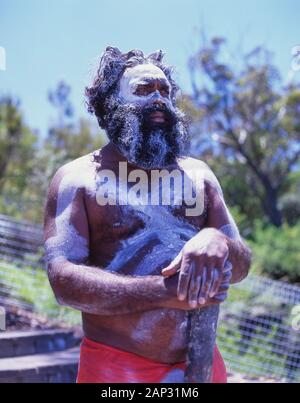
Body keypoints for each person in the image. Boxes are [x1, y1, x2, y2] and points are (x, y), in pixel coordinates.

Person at [44, 47, 252, 383]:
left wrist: (219, 241)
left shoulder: (198, 175)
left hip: (201, 366)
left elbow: (241, 266)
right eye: (143, 90)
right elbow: (63, 280)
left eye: (164, 91)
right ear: (112, 104)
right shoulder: (77, 179)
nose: (159, 99)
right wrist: (165, 291)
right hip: (116, 372)